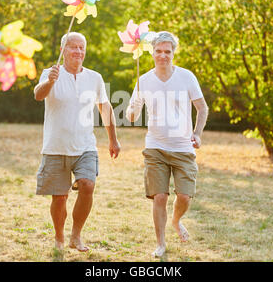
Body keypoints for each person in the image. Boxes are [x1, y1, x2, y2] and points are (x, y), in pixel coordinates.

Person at [34, 32, 120, 252]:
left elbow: (105, 107)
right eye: (74, 47)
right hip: (56, 146)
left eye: (82, 48)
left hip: (85, 145)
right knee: (60, 197)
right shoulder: (51, 73)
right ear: (63, 50)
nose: (79, 52)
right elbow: (38, 94)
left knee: (87, 184)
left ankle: (76, 235)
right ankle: (59, 236)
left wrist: (113, 139)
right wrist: (50, 81)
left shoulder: (94, 77)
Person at [126, 31, 208, 257]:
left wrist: (197, 134)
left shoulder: (186, 77)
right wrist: (132, 110)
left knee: (184, 196)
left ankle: (176, 219)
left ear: (173, 53)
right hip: (155, 147)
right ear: (152, 53)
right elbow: (132, 116)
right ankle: (160, 243)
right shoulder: (143, 81)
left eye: (167, 52)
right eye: (158, 51)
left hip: (183, 147)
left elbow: (202, 108)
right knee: (159, 196)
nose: (163, 55)